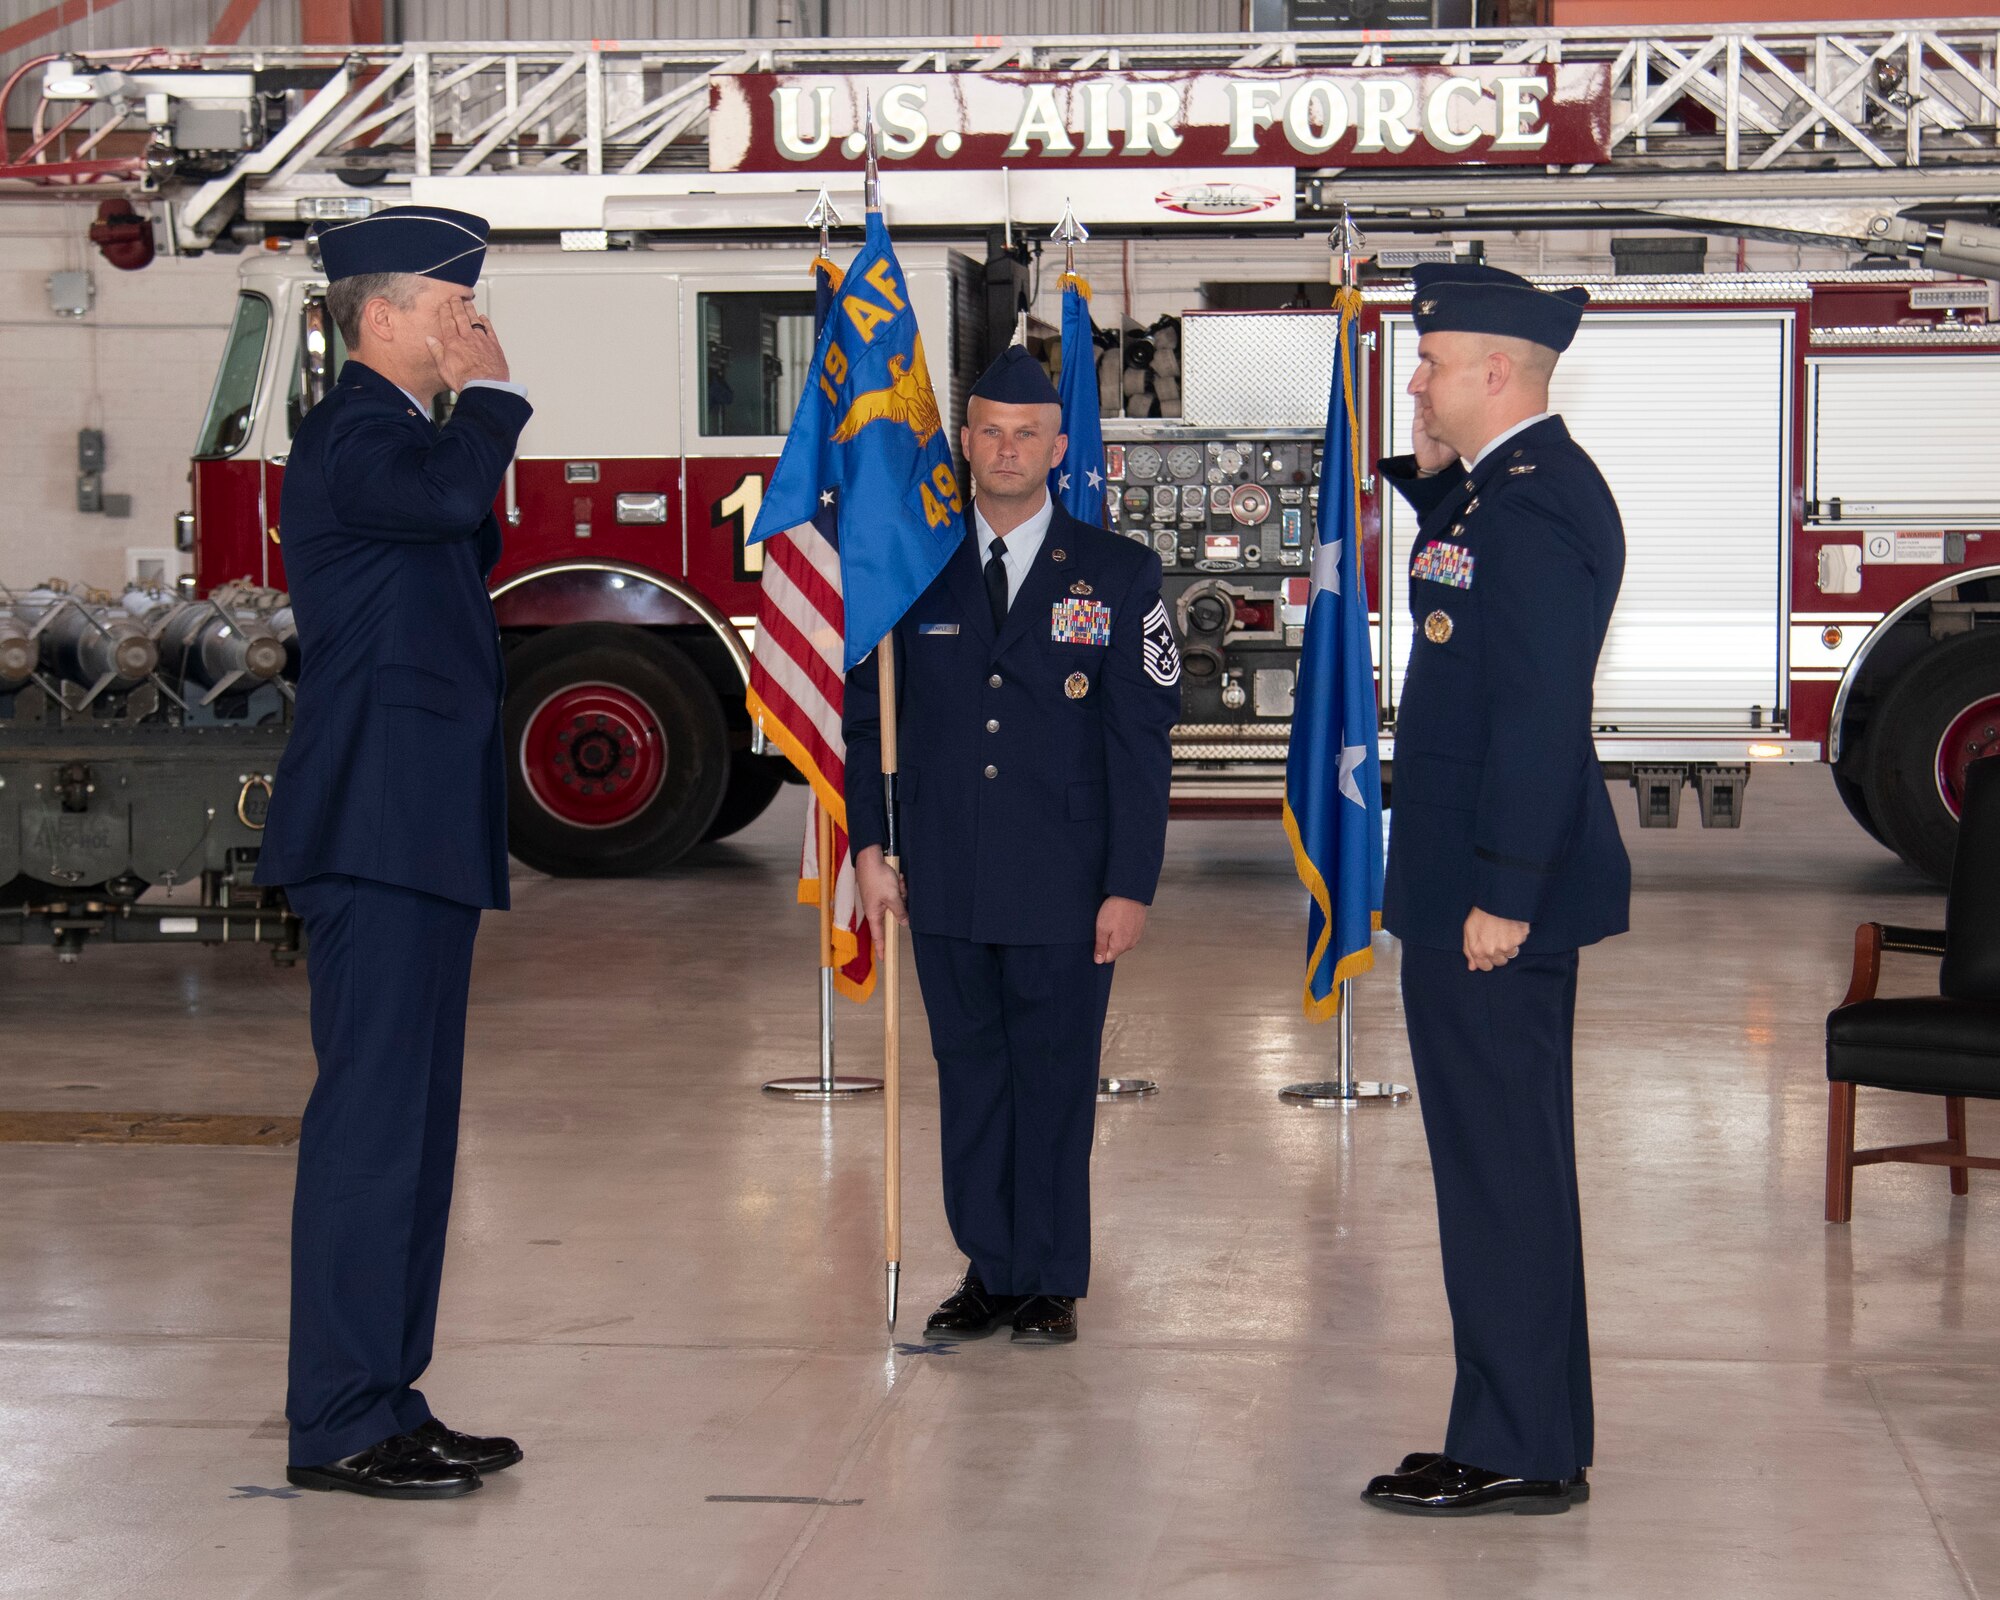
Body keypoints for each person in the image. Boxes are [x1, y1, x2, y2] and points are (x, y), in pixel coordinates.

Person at [255, 205, 533, 1500]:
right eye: (453, 311)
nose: (471, 331)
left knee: (415, 1136)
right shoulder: (352, 434)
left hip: (414, 831)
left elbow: (464, 528)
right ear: (385, 318)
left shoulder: (395, 445)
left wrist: (471, 412)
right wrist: (496, 395)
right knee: (372, 1135)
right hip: (374, 830)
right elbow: (451, 497)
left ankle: (386, 1394)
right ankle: (337, 1421)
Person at [1360, 262, 1630, 1516]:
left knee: (1500, 1168)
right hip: (1465, 882)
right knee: (1494, 1162)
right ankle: (1518, 1424)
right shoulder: (1500, 496)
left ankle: (1518, 1443)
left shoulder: (1536, 509)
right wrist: (1423, 471)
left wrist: (1506, 891)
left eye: (1428, 363)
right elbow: (1462, 606)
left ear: (1492, 372)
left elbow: (1533, 712)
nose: (1412, 379)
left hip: (1488, 898)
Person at [845, 346, 1181, 1346]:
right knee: (971, 1078)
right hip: (942, 872)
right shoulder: (914, 569)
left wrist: (1129, 884)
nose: (1005, 447)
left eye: (1025, 432)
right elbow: (874, 725)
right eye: (988, 429)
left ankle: (1048, 1276)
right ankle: (987, 1269)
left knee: (1052, 1077)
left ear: (1058, 446)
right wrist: (870, 843)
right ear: (963, 441)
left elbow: (1139, 741)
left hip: (1065, 880)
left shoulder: (1119, 572)